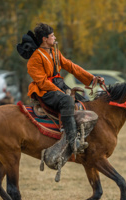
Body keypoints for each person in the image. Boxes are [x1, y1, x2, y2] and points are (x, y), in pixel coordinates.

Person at [27, 23, 104, 153]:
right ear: (44, 39)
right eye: (52, 35)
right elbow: (41, 82)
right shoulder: (34, 59)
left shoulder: (55, 52)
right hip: (45, 90)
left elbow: (71, 66)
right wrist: (62, 92)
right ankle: (72, 139)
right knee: (67, 100)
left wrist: (92, 79)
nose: (55, 37)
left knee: (84, 102)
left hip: (59, 85)